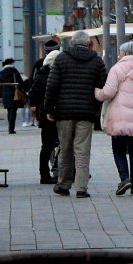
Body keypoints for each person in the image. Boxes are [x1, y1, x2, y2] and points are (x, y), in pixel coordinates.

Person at [46, 32, 105, 198]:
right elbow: (102, 86)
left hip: (64, 112)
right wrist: (95, 106)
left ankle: (63, 184)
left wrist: (49, 109)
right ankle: (81, 188)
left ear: (71, 43)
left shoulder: (61, 59)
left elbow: (52, 86)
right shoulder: (96, 61)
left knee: (65, 149)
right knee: (82, 150)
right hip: (86, 113)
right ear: (88, 44)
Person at [98, 39, 133, 196]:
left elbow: (109, 92)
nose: (118, 54)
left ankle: (125, 178)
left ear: (124, 53)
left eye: (120, 52)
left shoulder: (116, 69)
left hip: (120, 118)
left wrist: (97, 93)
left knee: (118, 150)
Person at [31, 38, 60, 184]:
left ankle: (46, 173)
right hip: (56, 114)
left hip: (45, 114)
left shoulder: (40, 71)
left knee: (47, 146)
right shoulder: (58, 73)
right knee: (60, 144)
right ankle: (59, 171)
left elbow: (33, 91)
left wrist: (37, 106)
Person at [0, 58, 24, 133]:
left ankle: (10, 126)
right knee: (13, 111)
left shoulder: (2, 72)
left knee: (9, 110)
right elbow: (20, 82)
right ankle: (11, 129)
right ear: (11, 63)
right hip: (14, 93)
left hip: (5, 93)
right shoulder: (14, 71)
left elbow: (0, 82)